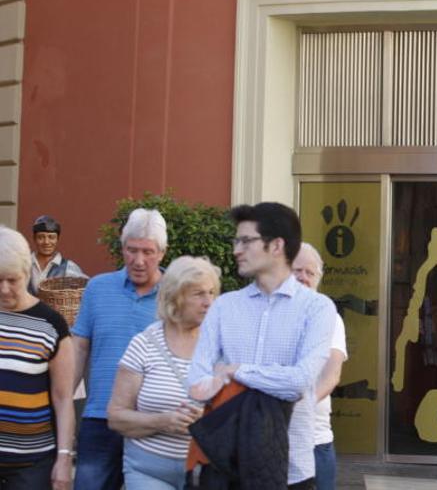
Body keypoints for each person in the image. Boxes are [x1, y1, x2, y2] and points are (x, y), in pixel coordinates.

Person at [187, 202, 336, 489]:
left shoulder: (317, 308)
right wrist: (268, 379)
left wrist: (234, 371)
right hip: (224, 464)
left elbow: (299, 382)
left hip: (291, 468)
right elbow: (195, 383)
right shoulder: (224, 307)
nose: (236, 250)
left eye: (246, 240)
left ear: (276, 245)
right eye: (236, 240)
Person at [71, 208, 167, 490]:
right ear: (122, 248)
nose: (138, 261)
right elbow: (79, 350)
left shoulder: (177, 292)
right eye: (131, 250)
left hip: (154, 422)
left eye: (148, 252)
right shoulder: (97, 288)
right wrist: (62, 404)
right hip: (100, 419)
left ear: (162, 252)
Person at [107, 256, 220, 490]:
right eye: (199, 294)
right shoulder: (144, 344)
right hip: (148, 472)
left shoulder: (223, 347)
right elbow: (116, 417)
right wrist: (164, 421)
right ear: (175, 297)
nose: (209, 302)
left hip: (206, 473)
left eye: (212, 293)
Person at [0, 225, 75, 489]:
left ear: (26, 272)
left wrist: (64, 458)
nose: (5, 289)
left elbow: (64, 399)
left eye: (12, 279)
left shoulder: (52, 324)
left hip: (32, 465)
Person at [292, 243, 348, 490]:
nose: (303, 277)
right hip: (272, 439)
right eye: (297, 270)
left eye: (310, 272)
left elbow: (332, 374)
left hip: (315, 440)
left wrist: (301, 404)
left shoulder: (329, 318)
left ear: (318, 279)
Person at [28, 215, 88, 295]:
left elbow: (87, 289)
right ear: (34, 239)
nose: (46, 242)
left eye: (51, 237)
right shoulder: (23, 265)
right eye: (41, 237)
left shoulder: (68, 267)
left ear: (57, 239)